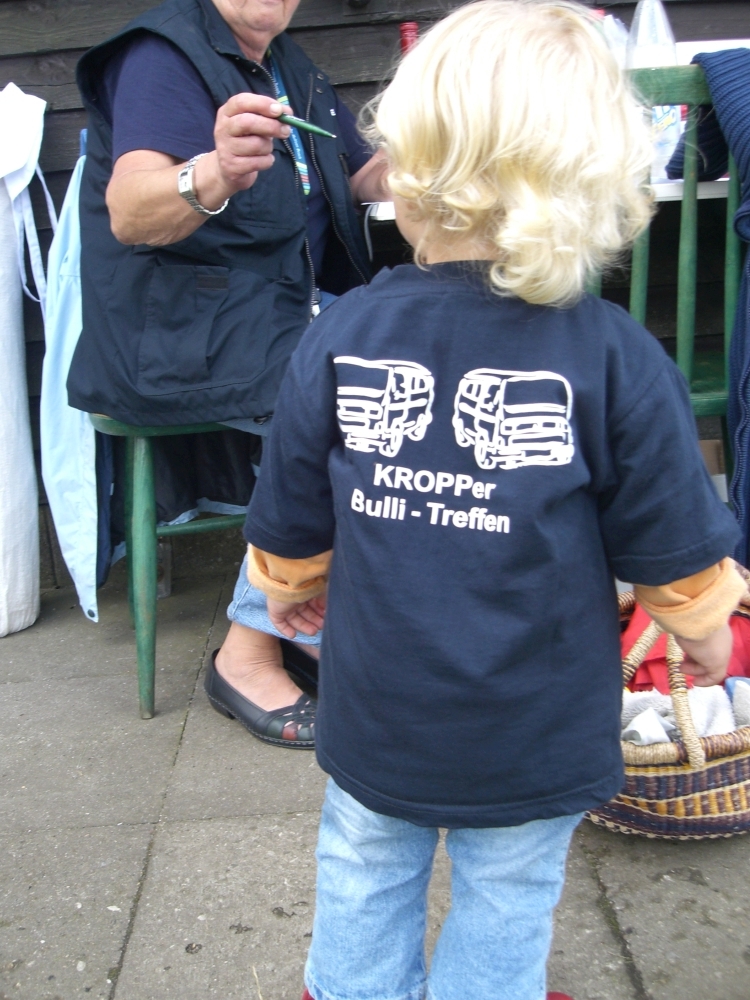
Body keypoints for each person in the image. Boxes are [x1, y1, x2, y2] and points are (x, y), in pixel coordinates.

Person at [240, 3, 746, 998]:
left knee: (363, 862)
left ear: (410, 163)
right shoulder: (616, 355)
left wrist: (288, 588)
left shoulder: (343, 332)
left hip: (379, 702)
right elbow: (672, 542)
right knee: (509, 888)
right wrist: (703, 632)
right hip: (537, 716)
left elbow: (289, 502)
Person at [68, 0, 389, 745]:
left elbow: (363, 174)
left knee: (412, 359)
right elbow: (131, 211)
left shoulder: (291, 66)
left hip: (281, 317)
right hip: (180, 332)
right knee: (353, 397)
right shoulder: (160, 58)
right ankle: (247, 652)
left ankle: (314, 623)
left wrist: (446, 157)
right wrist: (212, 172)